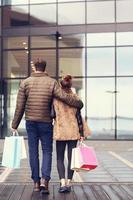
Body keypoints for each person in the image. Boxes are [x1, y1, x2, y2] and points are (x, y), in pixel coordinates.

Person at [11, 59, 83, 195]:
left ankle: (36, 184)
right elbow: (64, 97)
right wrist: (79, 103)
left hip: (31, 122)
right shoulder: (51, 82)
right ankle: (45, 181)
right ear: (44, 68)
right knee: (46, 151)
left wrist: (14, 124)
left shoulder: (25, 82)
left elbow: (19, 106)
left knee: (33, 152)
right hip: (46, 123)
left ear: (34, 68)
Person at [53, 75, 84, 193]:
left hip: (60, 131)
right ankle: (69, 183)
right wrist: (81, 132)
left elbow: (51, 114)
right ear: (70, 85)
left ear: (61, 85)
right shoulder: (75, 98)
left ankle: (62, 183)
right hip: (72, 130)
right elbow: (79, 118)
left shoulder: (56, 99)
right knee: (72, 158)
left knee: (60, 158)